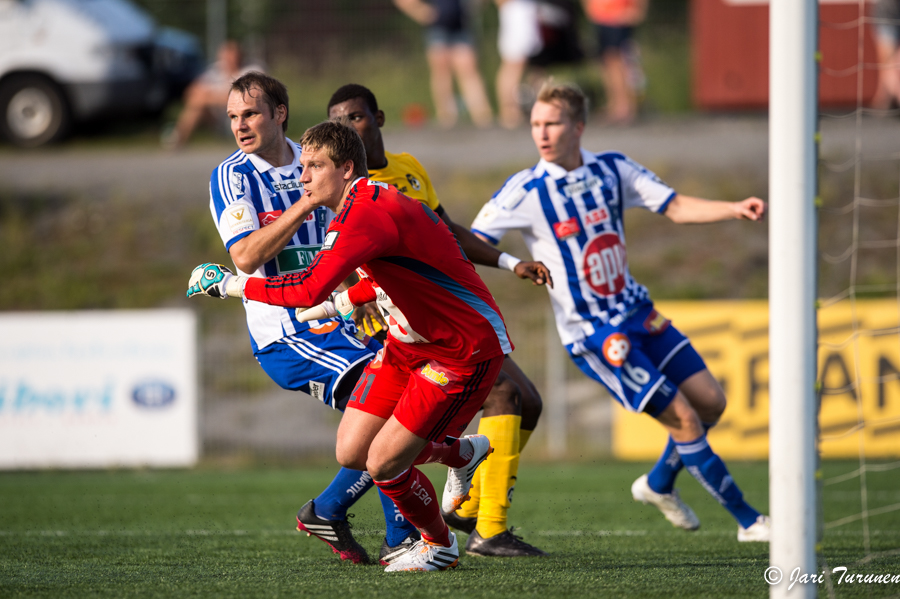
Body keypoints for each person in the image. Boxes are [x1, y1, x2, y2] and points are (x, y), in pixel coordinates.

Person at [189, 119, 518, 572]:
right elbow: (398, 275)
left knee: (385, 462)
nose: (302, 178)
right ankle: (461, 453)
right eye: (302, 166)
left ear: (346, 169)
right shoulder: (356, 207)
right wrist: (341, 303)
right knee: (352, 451)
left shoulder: (365, 213)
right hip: (410, 342)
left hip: (462, 349)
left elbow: (307, 288)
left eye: (314, 167)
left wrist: (229, 285)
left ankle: (438, 545)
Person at [469, 81, 772, 542]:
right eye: (535, 124)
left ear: (579, 126)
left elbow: (674, 205)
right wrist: (512, 264)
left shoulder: (613, 167)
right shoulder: (526, 190)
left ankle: (657, 484)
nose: (542, 133)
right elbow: (470, 241)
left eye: (552, 123)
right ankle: (751, 522)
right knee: (685, 419)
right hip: (595, 335)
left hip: (639, 312)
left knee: (711, 403)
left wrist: (733, 207)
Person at [200, 70, 422, 566]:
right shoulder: (233, 176)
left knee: (407, 400)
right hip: (286, 332)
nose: (240, 125)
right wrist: (307, 199)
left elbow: (338, 243)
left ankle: (328, 510)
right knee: (385, 406)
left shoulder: (312, 163)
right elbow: (246, 257)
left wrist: (362, 293)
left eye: (251, 113)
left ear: (280, 114)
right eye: (233, 116)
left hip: (337, 320)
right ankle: (401, 539)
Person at [326, 83, 549, 557]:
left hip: (440, 323)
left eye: (356, 118)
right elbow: (335, 251)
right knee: (386, 446)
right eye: (339, 122)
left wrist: (510, 262)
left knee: (526, 400)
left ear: (379, 118)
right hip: (402, 330)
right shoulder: (339, 186)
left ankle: (462, 509)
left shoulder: (406, 172)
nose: (349, 129)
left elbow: (446, 229)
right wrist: (347, 296)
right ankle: (477, 527)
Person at [393, 0, 494, 129]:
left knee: (468, 69)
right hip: (437, 27)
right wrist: (421, 12)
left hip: (461, 24)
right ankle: (447, 117)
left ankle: (483, 117)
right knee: (442, 70)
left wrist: (474, 6)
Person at [163, 40, 261, 149]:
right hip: (217, 118)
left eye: (232, 55)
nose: (229, 59)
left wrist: (208, 97)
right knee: (197, 104)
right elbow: (191, 92)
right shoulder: (216, 70)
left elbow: (246, 98)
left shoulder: (251, 71)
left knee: (200, 100)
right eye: (225, 55)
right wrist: (206, 96)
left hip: (240, 117)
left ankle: (175, 137)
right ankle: (178, 140)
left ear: (240, 55)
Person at [582, 0, 647, 125]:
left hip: (619, 17)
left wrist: (638, 9)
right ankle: (614, 105)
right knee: (605, 63)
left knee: (618, 61)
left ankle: (625, 107)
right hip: (600, 17)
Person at [495, 0, 544, 128]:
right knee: (514, 64)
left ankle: (535, 109)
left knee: (536, 65)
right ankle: (509, 112)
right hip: (516, 11)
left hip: (528, 10)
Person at [871, 0, 900, 110]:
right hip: (885, 17)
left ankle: (882, 101)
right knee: (888, 65)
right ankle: (883, 101)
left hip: (891, 16)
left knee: (890, 65)